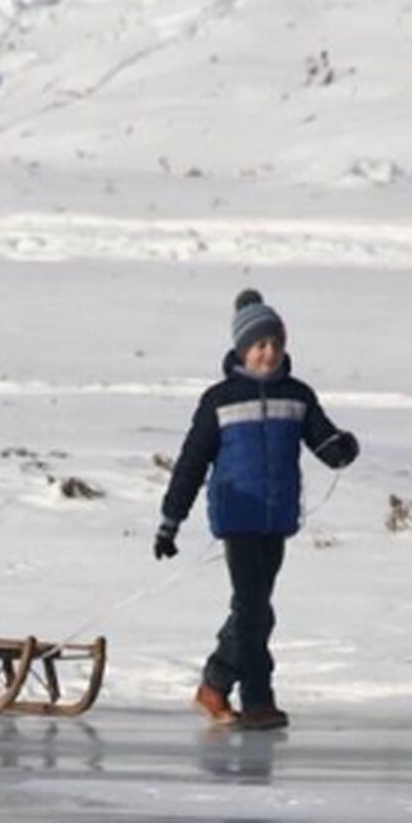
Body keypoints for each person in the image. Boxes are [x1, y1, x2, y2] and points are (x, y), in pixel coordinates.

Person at [154, 289, 359, 730]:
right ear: (242, 348)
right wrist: (170, 522)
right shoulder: (220, 400)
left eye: (276, 344)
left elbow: (323, 441)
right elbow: (191, 462)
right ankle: (258, 699)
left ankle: (214, 684)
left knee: (255, 608)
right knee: (252, 610)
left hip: (277, 518)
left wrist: (342, 448)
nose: (269, 353)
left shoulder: (297, 395)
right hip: (238, 516)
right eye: (260, 345)